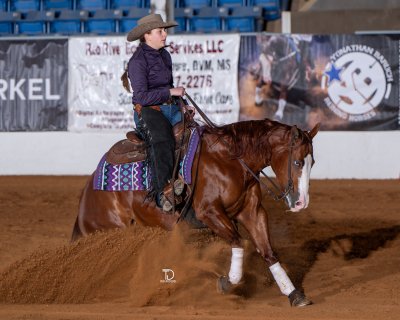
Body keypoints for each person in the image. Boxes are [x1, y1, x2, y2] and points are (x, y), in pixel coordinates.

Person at [125, 13, 185, 213]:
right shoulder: (137, 61)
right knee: (163, 140)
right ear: (147, 35)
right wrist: (169, 92)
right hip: (149, 112)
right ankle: (162, 194)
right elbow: (141, 97)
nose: (165, 35)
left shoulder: (165, 55)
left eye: (165, 30)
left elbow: (170, 86)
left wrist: (183, 104)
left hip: (171, 107)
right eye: (160, 31)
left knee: (194, 134)